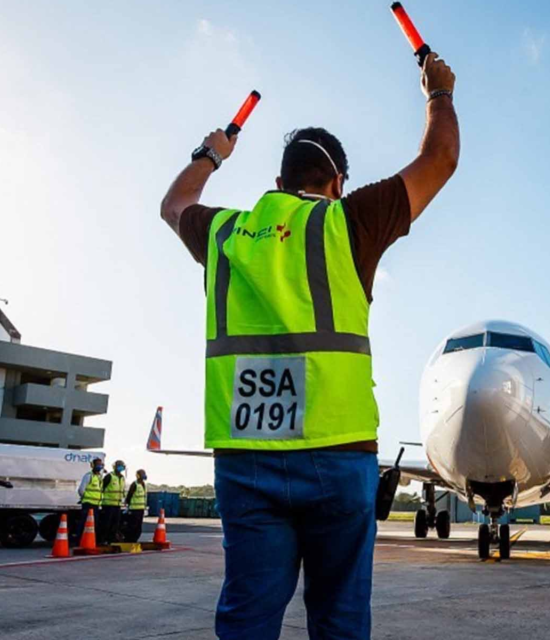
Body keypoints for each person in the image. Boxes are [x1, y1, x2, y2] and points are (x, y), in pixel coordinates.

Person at [160, 51, 458, 639]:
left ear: (277, 184)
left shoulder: (224, 233)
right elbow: (440, 159)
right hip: (336, 454)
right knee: (340, 619)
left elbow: (173, 205)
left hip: (245, 457)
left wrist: (210, 154)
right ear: (337, 182)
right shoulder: (349, 222)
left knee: (247, 616)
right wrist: (439, 93)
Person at [74, 458, 105, 542]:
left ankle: (90, 540)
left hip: (96, 504)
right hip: (88, 504)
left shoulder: (99, 477)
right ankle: (79, 540)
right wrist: (85, 497)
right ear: (93, 465)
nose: (99, 466)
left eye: (100, 464)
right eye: (97, 464)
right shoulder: (88, 476)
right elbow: (81, 490)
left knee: (93, 524)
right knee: (84, 522)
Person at [100, 460, 128, 543]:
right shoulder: (109, 476)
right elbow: (101, 488)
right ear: (114, 467)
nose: (121, 467)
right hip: (108, 505)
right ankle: (103, 540)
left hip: (117, 505)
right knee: (106, 524)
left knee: (115, 524)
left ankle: (111, 539)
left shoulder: (122, 478)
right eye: (119, 465)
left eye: (122, 466)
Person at [124, 468, 149, 541]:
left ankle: (135, 539)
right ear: (138, 475)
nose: (144, 475)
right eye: (142, 474)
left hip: (141, 509)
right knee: (132, 526)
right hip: (134, 509)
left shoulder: (143, 484)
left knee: (138, 527)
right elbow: (129, 495)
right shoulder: (134, 484)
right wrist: (128, 505)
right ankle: (129, 539)